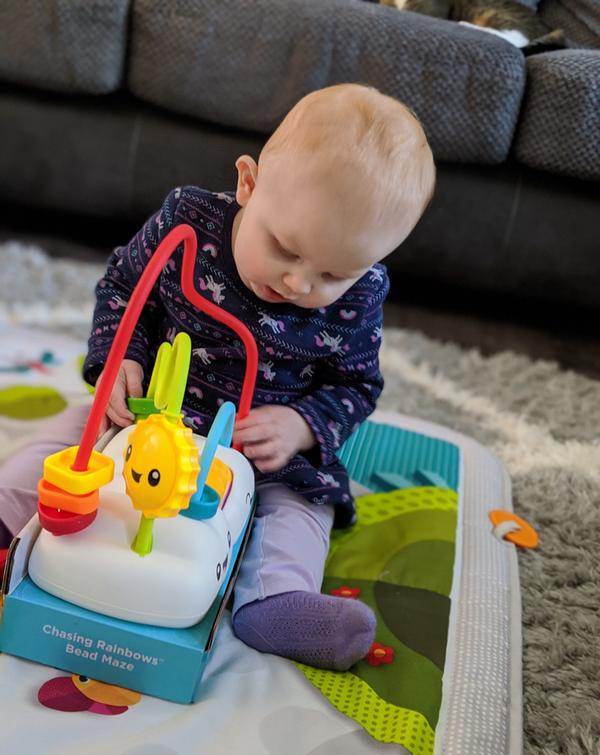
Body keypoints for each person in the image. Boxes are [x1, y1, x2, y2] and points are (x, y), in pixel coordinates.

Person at [0, 84, 435, 671]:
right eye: (284, 247)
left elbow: (358, 387)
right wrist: (120, 360)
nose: (299, 284)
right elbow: (124, 289)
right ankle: (7, 520)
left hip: (261, 449)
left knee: (300, 511)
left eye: (333, 272)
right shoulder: (188, 222)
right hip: (150, 414)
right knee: (64, 447)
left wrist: (301, 425)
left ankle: (275, 603)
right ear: (248, 185)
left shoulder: (360, 296)